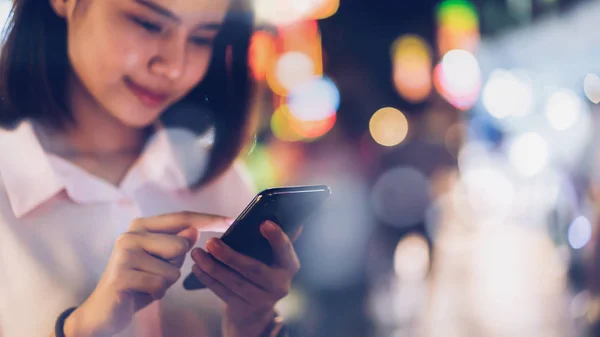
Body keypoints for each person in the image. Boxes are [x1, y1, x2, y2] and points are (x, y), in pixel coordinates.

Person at [0, 0, 301, 336]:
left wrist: (253, 323)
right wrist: (79, 329)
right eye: (148, 24)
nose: (174, 67)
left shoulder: (221, 185)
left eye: (202, 39)